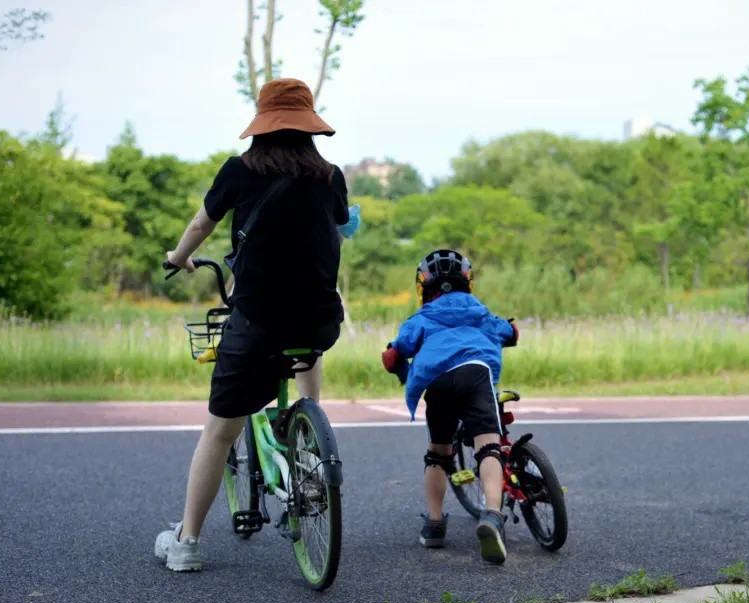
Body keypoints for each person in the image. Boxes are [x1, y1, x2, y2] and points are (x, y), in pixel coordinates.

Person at [155, 77, 356, 572]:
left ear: (262, 126)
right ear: (309, 126)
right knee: (309, 340)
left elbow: (202, 225)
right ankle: (308, 422)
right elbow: (338, 228)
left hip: (257, 322)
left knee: (220, 431)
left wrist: (179, 257)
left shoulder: (238, 171)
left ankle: (186, 544)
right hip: (317, 320)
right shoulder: (330, 177)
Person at [381, 250, 519, 565]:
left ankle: (433, 526)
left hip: (437, 379)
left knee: (438, 452)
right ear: (466, 281)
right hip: (475, 372)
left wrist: (401, 368)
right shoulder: (479, 310)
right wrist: (508, 332)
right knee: (489, 448)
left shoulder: (421, 318)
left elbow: (392, 356)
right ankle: (493, 516)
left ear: (423, 286)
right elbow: (510, 333)